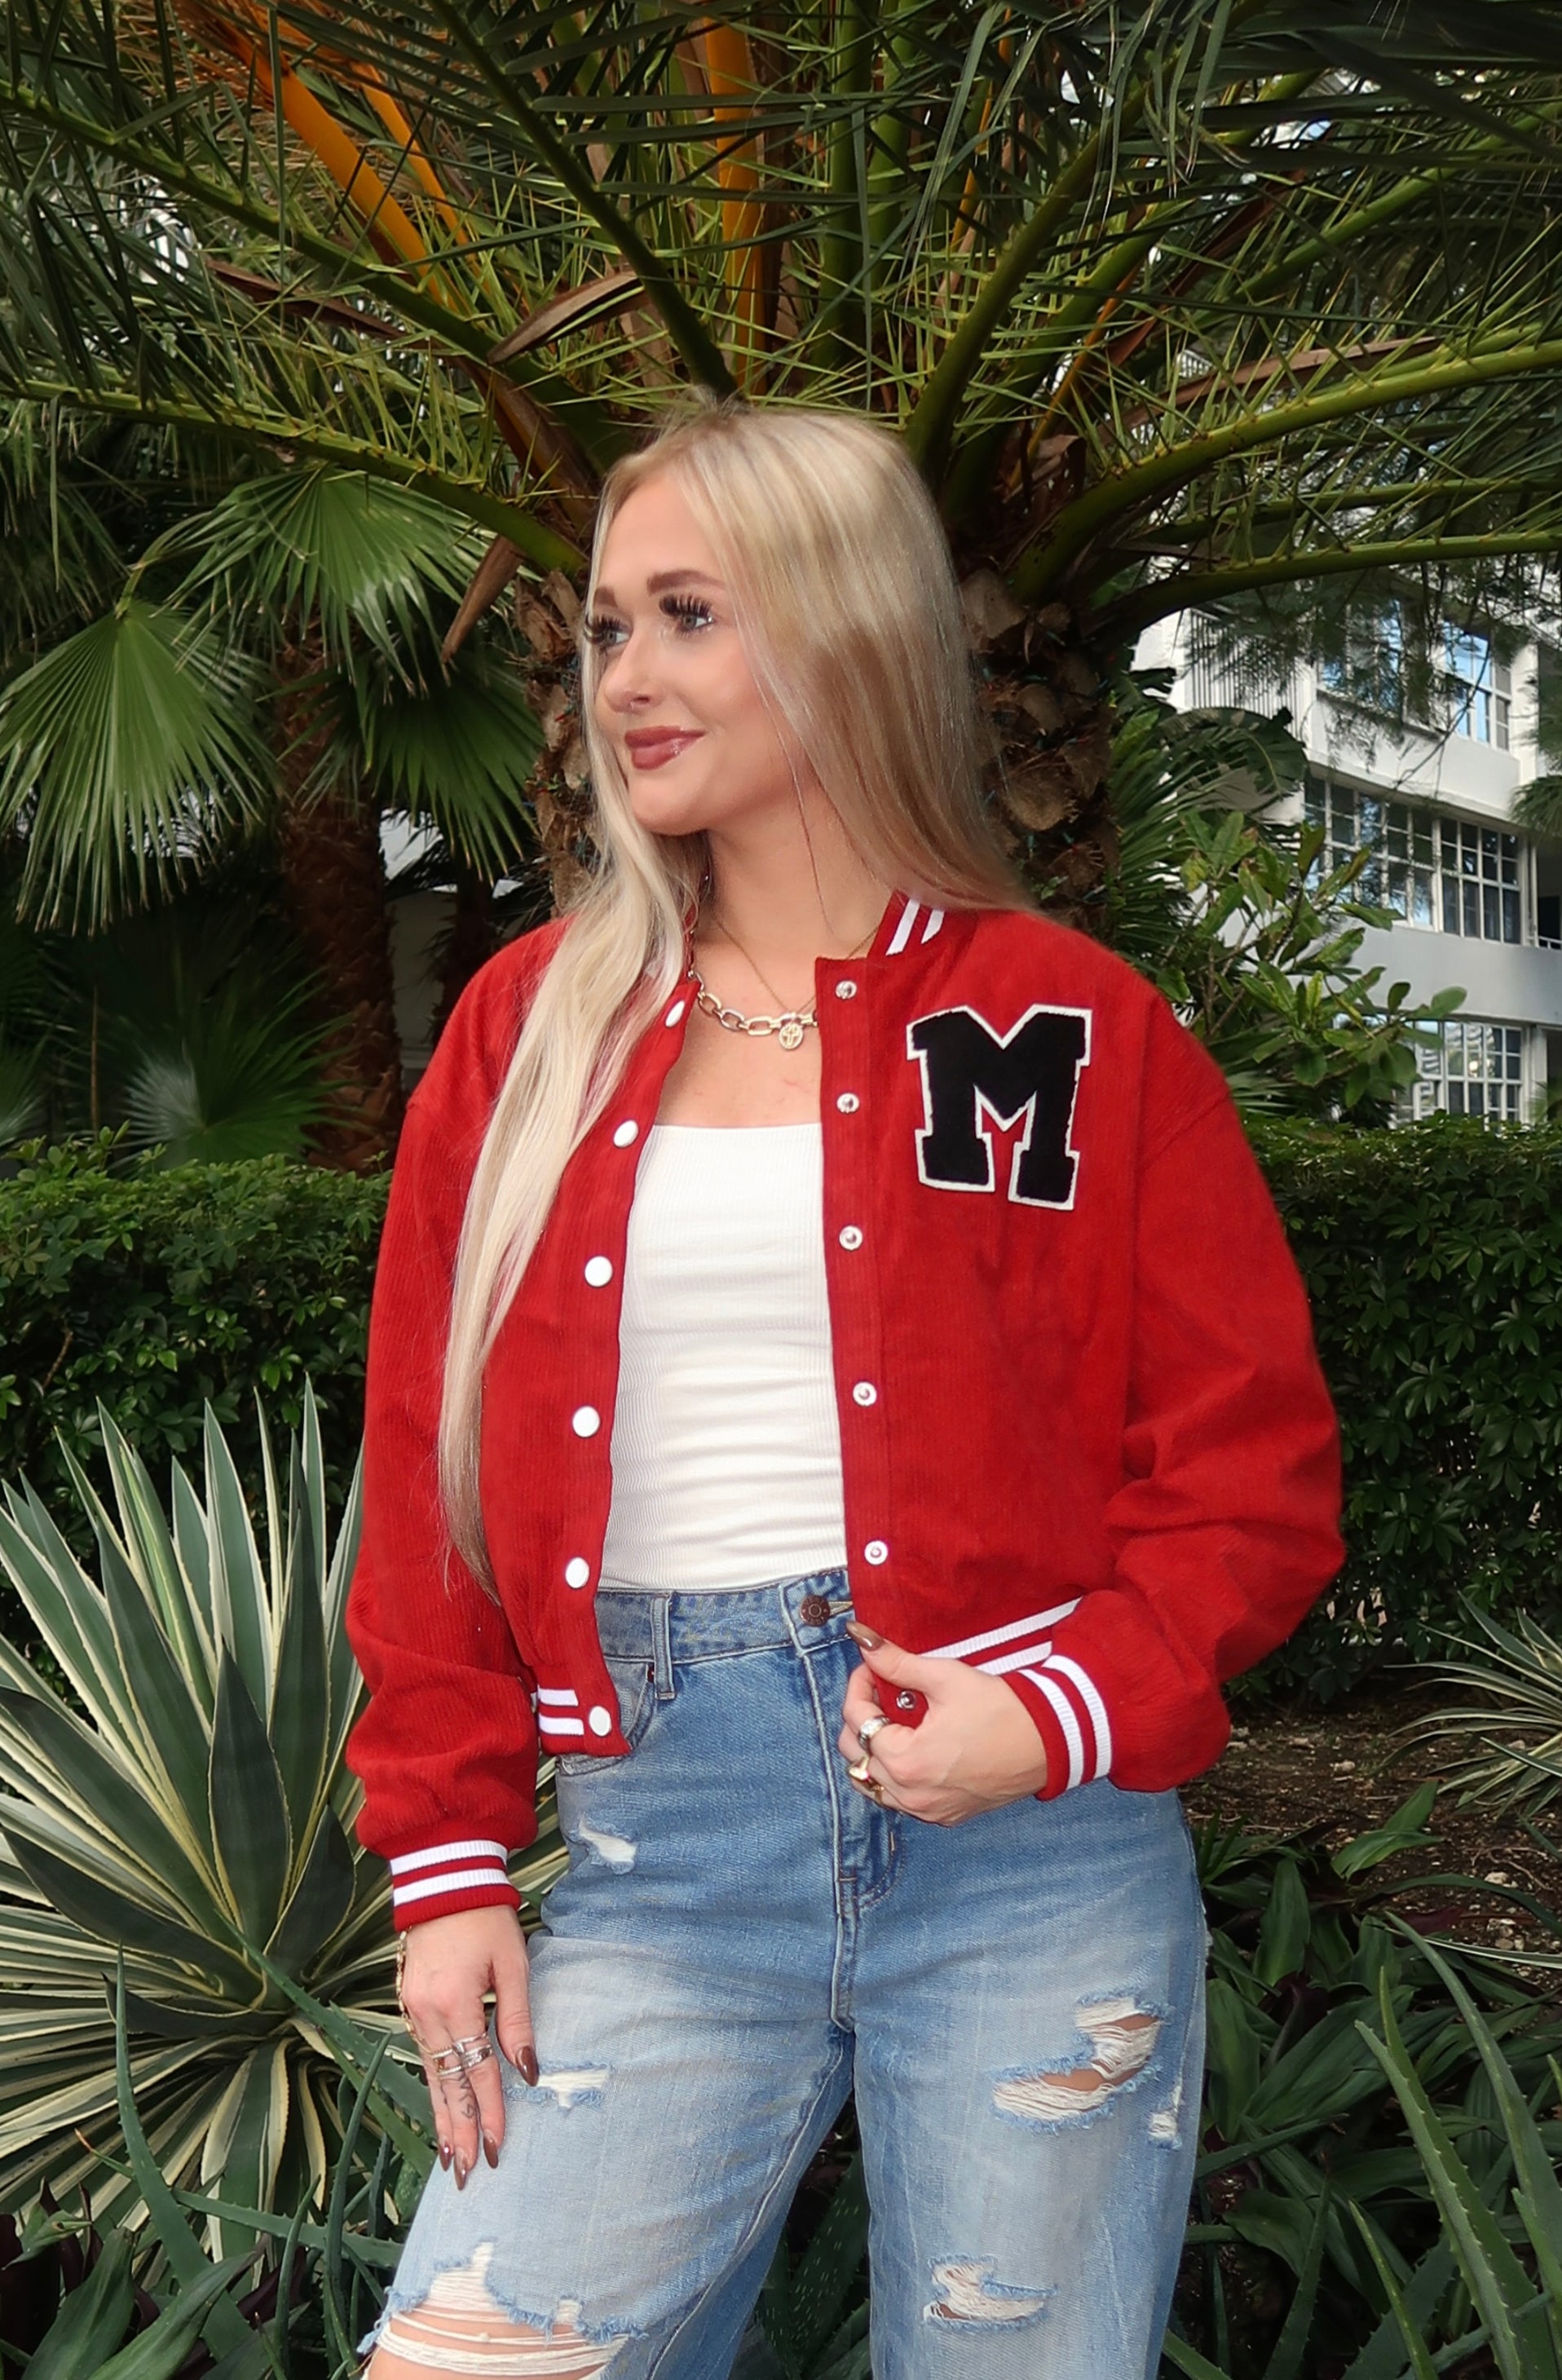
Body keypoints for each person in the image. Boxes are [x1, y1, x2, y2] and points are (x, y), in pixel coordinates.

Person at [346, 400, 1343, 2380]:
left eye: (688, 614)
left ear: (848, 628)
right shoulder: (525, 1031)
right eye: (607, 625)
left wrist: (1053, 1707)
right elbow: (424, 1466)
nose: (625, 676)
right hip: (662, 1855)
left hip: (1035, 1857)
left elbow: (1252, 1474)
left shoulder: (1075, 1028)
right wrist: (445, 1854)